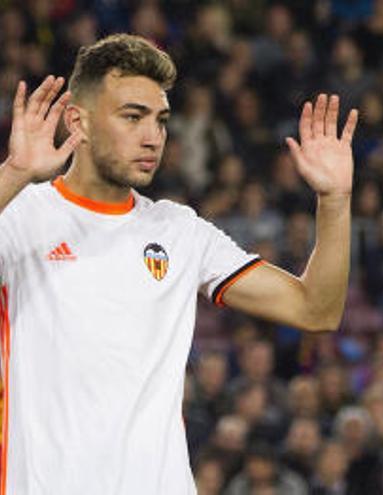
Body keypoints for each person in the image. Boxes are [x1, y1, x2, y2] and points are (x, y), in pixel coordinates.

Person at [0, 34, 358, 493]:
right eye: (133, 117)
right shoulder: (22, 215)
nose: (153, 137)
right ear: (78, 121)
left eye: (162, 120)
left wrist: (334, 200)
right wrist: (13, 173)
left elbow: (316, 310)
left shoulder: (180, 231)